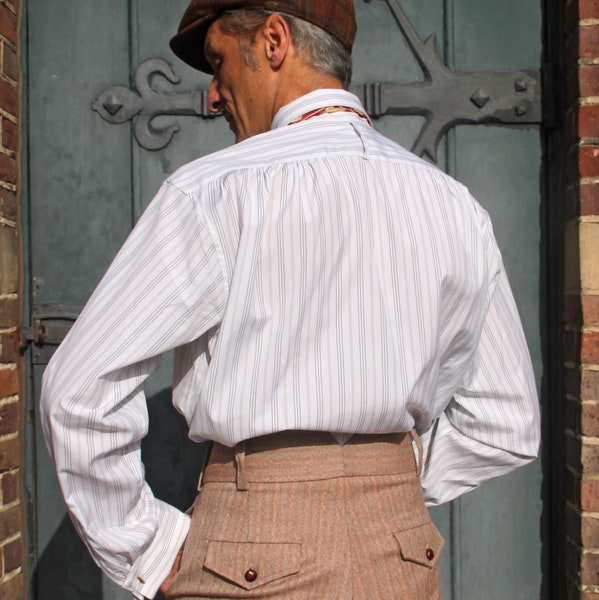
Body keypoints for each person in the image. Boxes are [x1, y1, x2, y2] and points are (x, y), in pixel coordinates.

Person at [40, 1, 541, 598]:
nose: (212, 95)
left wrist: (145, 545)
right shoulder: (455, 206)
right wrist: (378, 479)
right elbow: (504, 423)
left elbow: (78, 388)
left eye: (220, 61)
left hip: (251, 548)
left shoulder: (216, 191)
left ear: (274, 41)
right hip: (403, 550)